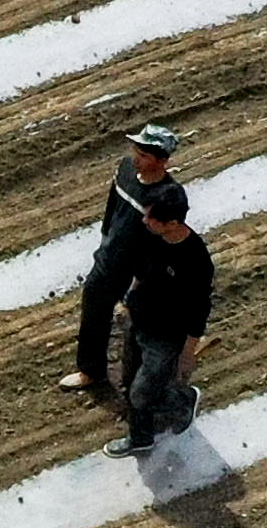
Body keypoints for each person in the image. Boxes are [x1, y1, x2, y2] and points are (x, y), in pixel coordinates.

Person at [65, 124, 185, 400]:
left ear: (162, 161)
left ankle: (139, 391)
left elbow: (166, 242)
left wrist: (142, 281)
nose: (136, 159)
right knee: (94, 310)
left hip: (143, 275)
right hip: (109, 261)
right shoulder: (125, 171)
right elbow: (111, 210)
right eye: (136, 151)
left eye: (143, 155)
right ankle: (91, 370)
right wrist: (106, 239)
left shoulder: (169, 197)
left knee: (136, 335)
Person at [110, 179, 213, 454]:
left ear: (172, 223)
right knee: (130, 381)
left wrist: (188, 352)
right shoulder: (153, 237)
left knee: (142, 394)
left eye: (151, 217)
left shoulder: (195, 260)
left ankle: (179, 403)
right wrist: (128, 301)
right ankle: (142, 433)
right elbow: (141, 272)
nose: (144, 221)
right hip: (138, 322)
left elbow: (198, 310)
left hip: (165, 338)